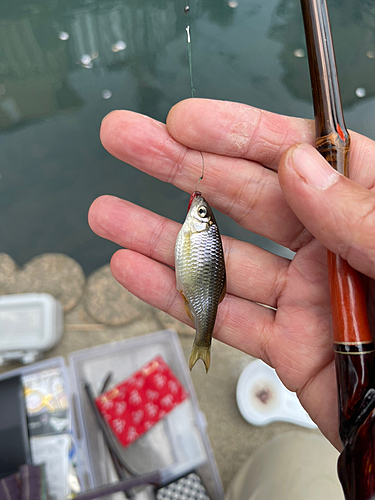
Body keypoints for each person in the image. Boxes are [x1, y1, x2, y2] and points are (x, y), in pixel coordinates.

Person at [88, 98, 375, 453]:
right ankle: (201, 341)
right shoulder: (199, 231)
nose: (199, 209)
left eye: (202, 212)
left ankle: (201, 342)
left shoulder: (197, 230)